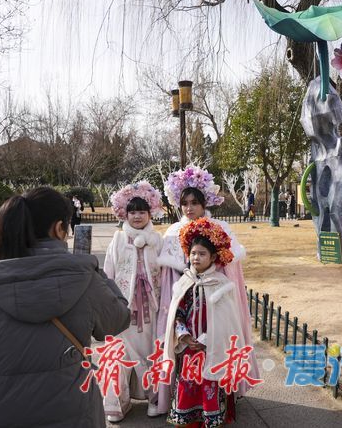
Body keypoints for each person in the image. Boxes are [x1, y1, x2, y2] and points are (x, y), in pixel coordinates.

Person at [0, 187, 131, 428]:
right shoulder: (85, 280)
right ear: (59, 228)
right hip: (71, 413)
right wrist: (92, 269)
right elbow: (119, 319)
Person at [156, 165, 260, 414]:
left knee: (216, 346)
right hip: (185, 299)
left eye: (195, 202)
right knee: (186, 354)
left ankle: (218, 402)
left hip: (213, 298)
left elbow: (229, 268)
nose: (189, 208)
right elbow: (170, 276)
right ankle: (183, 403)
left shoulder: (218, 227)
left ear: (204, 204)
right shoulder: (172, 232)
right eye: (185, 203)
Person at [164, 218, 257, 427]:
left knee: (211, 383)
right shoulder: (184, 282)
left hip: (212, 348)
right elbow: (177, 314)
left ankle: (211, 419)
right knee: (188, 384)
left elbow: (227, 322)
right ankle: (189, 420)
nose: (196, 258)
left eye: (202, 254)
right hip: (188, 348)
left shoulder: (222, 284)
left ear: (213, 257)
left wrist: (206, 339)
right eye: (193, 253)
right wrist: (184, 335)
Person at [103, 182, 165, 422]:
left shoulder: (157, 240)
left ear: (150, 213)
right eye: (132, 212)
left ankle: (154, 398)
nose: (137, 216)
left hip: (152, 307)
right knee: (120, 354)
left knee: (152, 350)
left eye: (142, 211)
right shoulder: (118, 239)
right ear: (124, 214)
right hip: (123, 309)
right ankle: (119, 402)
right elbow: (108, 274)